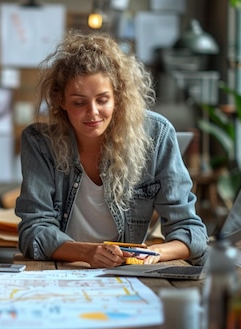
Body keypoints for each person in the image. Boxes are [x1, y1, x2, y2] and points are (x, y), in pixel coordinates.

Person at [16, 30, 208, 268]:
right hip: (63, 271)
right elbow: (33, 232)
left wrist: (153, 253)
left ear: (118, 97)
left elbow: (190, 231)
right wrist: (87, 253)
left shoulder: (156, 134)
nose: (93, 112)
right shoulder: (40, 143)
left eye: (103, 100)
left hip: (126, 274)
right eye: (79, 102)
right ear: (60, 101)